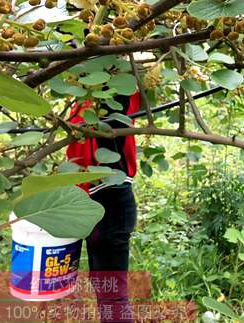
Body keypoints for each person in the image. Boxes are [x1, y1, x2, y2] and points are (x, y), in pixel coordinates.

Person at [67, 92, 142, 323]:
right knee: (104, 288)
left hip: (110, 199)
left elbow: (108, 128)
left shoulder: (114, 92)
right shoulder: (87, 93)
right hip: (91, 199)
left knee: (112, 296)